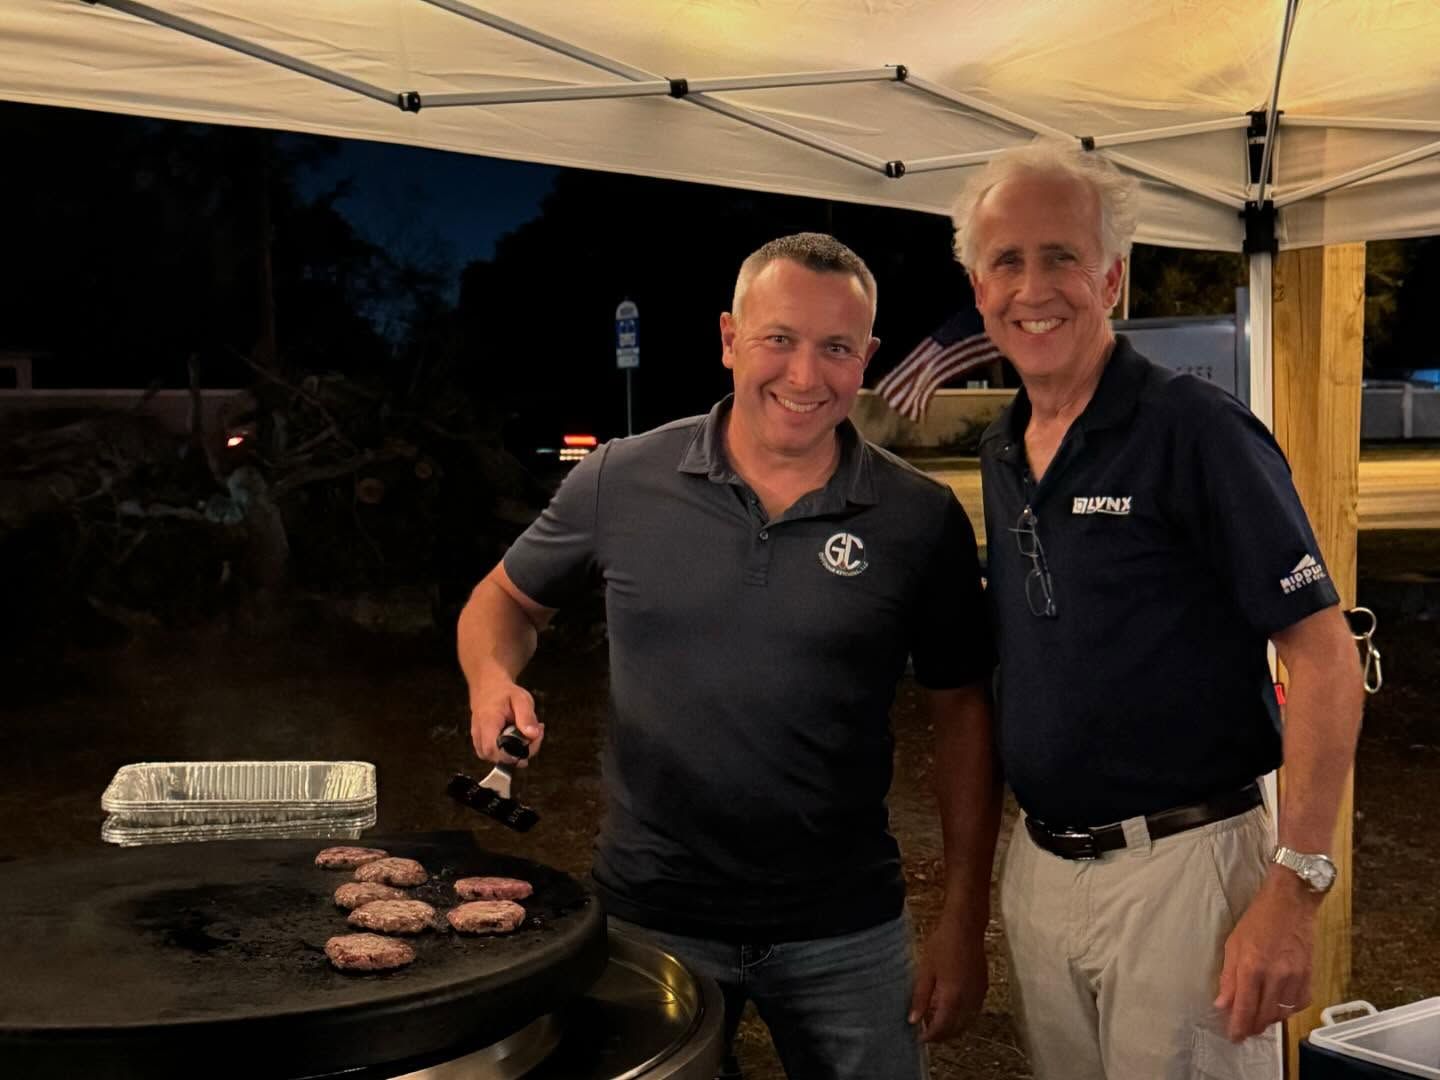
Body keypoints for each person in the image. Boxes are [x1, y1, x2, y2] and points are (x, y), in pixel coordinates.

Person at [457, 233, 999, 1079]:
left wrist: (964, 917)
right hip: (649, 917)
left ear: (869, 357)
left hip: (845, 929)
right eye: (778, 339)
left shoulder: (917, 519)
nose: (804, 375)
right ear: (728, 339)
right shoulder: (620, 480)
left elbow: (963, 710)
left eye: (836, 348)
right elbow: (505, 600)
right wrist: (492, 680)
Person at [951, 142, 1365, 1079]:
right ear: (978, 289)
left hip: (1184, 872)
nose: (1033, 286)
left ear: (1112, 278)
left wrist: (1294, 891)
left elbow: (1329, 659)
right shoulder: (1003, 449)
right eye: (1006, 262)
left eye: (1061, 256)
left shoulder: (1197, 431)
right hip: (1045, 867)